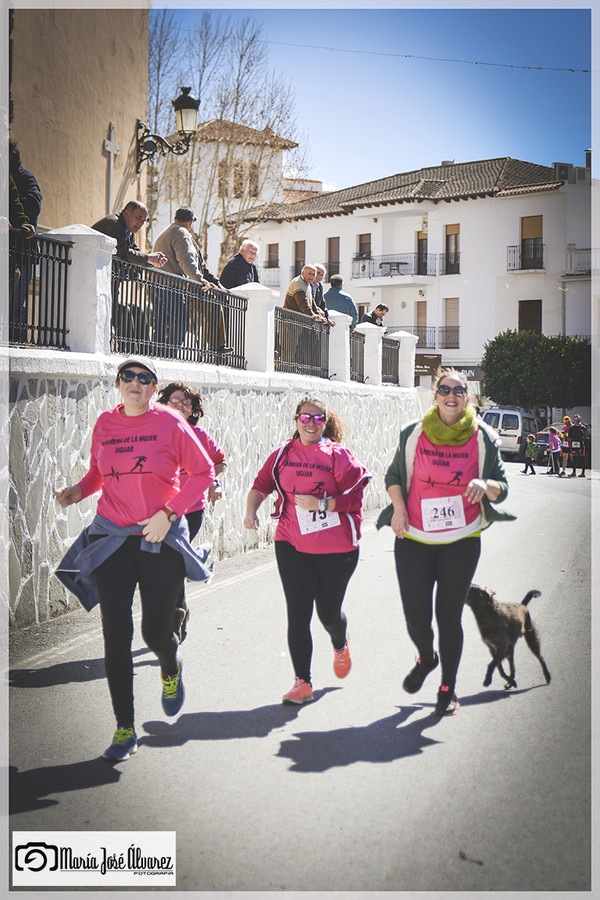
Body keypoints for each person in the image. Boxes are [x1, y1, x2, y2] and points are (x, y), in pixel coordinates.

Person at [54, 358, 215, 762]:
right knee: (115, 633)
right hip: (113, 538)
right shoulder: (106, 423)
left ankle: (169, 663)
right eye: (129, 377)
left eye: (145, 379)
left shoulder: (171, 423)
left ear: (152, 387)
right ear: (118, 383)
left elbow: (203, 473)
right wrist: (79, 490)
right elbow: (99, 473)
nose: (136, 384)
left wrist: (169, 514)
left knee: (154, 633)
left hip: (158, 537)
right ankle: (125, 728)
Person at [376, 368, 514, 717]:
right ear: (435, 395)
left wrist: (485, 486)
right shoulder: (414, 433)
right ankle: (427, 656)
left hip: (461, 537)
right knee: (416, 617)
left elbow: (502, 486)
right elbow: (394, 476)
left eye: (458, 390)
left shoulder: (483, 437)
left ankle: (448, 687)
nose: (451, 396)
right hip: (415, 538)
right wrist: (398, 509)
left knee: (447, 615)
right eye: (444, 389)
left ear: (468, 397)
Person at [244, 396, 370, 704]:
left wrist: (322, 504)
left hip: (337, 549)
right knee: (297, 613)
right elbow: (261, 485)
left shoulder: (338, 456)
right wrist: (251, 510)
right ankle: (302, 682)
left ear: (325, 422)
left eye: (317, 418)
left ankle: (340, 643)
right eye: (305, 417)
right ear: (296, 420)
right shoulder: (282, 455)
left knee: (328, 612)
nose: (310, 423)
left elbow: (355, 499)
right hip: (291, 542)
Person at [157, 381, 227, 642]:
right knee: (167, 564)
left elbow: (220, 462)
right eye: (175, 400)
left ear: (193, 410)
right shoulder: (153, 433)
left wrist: (214, 484)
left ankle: (174, 618)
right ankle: (179, 609)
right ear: (163, 403)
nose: (181, 406)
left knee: (172, 561)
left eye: (186, 403)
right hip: (159, 511)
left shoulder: (201, 437)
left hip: (190, 511)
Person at [153, 207, 232, 355]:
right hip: (172, 285)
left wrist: (219, 285)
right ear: (191, 222)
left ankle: (161, 353)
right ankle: (170, 354)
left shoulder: (171, 231)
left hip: (162, 284)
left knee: (163, 322)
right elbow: (187, 261)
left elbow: (202, 267)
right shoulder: (180, 233)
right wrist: (201, 281)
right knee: (183, 320)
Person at [92, 201, 167, 349]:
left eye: (143, 220)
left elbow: (134, 252)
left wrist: (151, 262)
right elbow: (124, 252)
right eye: (138, 217)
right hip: (94, 282)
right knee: (121, 312)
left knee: (137, 310)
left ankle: (144, 352)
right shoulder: (114, 224)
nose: (140, 223)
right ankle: (127, 350)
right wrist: (148, 258)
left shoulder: (129, 231)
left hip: (112, 281)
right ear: (126, 213)